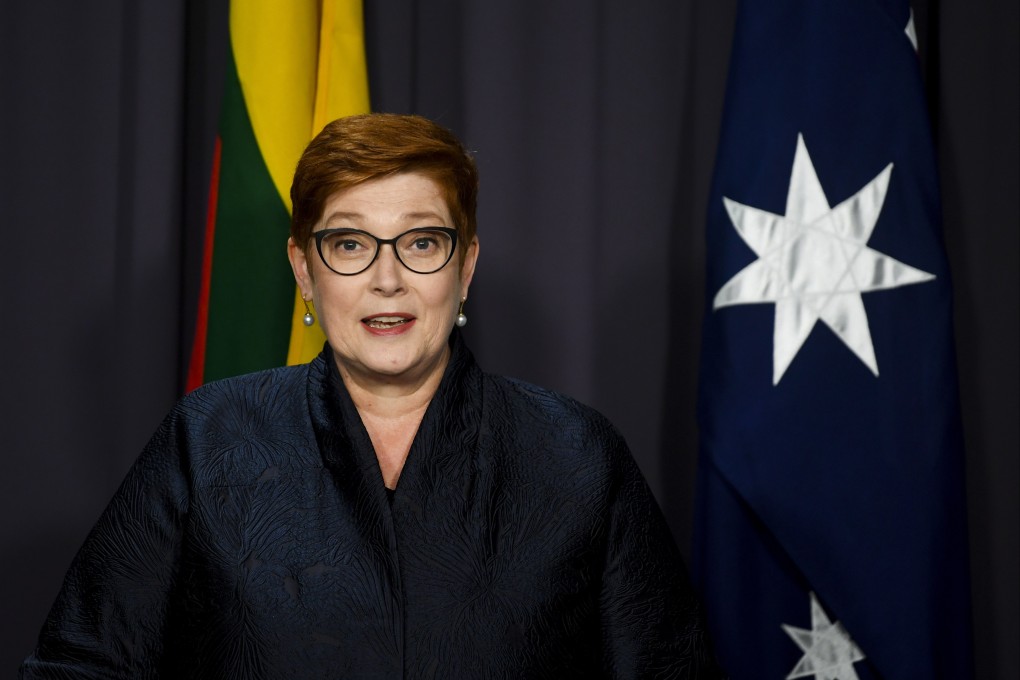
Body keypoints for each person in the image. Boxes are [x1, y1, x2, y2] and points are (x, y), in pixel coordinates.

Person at [21, 113, 722, 678]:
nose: (387, 280)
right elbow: (79, 667)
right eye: (351, 245)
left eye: (421, 243)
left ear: (467, 264)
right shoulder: (209, 440)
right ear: (303, 269)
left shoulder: (575, 454)